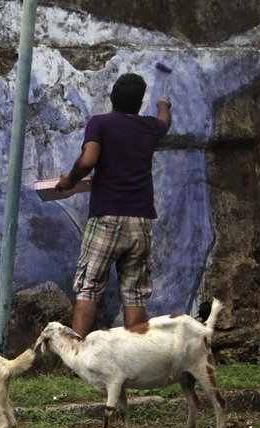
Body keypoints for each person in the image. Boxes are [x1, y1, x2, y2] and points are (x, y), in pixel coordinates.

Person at [56, 72, 172, 338]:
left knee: (89, 287)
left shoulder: (100, 123)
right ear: (140, 103)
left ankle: (78, 356)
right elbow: (164, 122)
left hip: (106, 217)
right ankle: (133, 359)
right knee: (134, 293)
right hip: (140, 221)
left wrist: (70, 180)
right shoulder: (149, 127)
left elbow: (88, 161)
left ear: (111, 97)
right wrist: (163, 105)